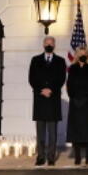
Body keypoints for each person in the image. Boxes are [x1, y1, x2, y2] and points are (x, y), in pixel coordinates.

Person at [28, 35, 67, 166]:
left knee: (52, 132)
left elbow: (61, 78)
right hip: (40, 100)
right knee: (40, 132)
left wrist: (50, 89)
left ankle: (51, 157)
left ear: (54, 45)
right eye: (47, 43)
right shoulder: (35, 60)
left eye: (51, 43)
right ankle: (40, 157)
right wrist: (41, 90)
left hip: (53, 99)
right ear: (43, 45)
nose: (49, 45)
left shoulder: (60, 61)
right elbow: (31, 78)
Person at [66, 47, 88, 165]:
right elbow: (69, 85)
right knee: (76, 131)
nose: (83, 55)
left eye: (85, 54)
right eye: (80, 53)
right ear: (76, 55)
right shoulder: (72, 68)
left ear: (87, 56)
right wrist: (74, 98)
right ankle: (77, 156)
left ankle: (87, 156)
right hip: (76, 104)